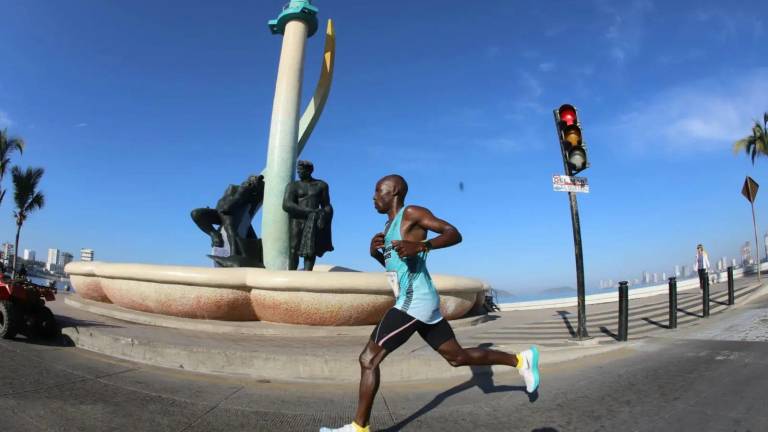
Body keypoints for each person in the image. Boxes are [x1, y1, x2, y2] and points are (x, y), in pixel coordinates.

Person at [320, 175, 539, 432]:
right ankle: (521, 360)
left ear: (395, 192)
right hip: (418, 299)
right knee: (457, 357)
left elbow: (453, 233)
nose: (373, 196)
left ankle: (359, 428)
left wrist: (423, 245)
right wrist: (376, 255)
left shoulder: (411, 213)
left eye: (379, 190)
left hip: (414, 301)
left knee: (368, 359)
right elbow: (399, 270)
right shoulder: (389, 227)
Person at [282, 160, 334, 271]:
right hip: (297, 220)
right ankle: (291, 274)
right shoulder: (293, 186)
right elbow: (286, 204)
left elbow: (326, 205)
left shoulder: (321, 185)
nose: (299, 172)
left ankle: (307, 274)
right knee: (293, 248)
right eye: (298, 170)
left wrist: (324, 216)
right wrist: (307, 211)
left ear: (310, 170)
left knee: (311, 249)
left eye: (301, 170)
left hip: (313, 219)